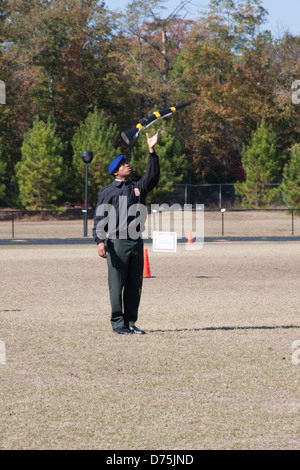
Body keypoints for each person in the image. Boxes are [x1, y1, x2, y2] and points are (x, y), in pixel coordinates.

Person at [93, 131, 162, 335]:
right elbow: (100, 218)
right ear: (115, 172)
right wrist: (99, 241)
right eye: (123, 165)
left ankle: (131, 322)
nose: (128, 165)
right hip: (117, 243)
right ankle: (118, 323)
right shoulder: (107, 192)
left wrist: (152, 151)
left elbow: (153, 177)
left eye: (127, 163)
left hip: (136, 241)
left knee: (135, 285)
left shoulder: (136, 187)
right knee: (116, 285)